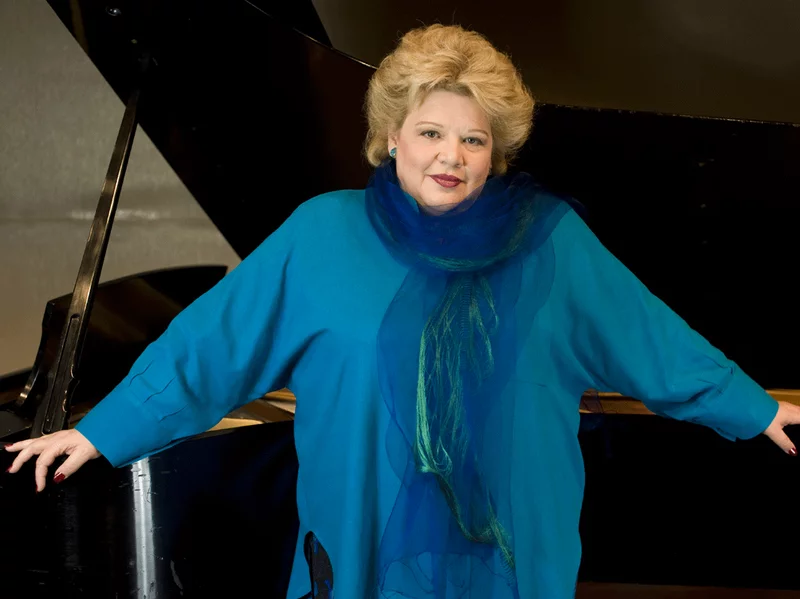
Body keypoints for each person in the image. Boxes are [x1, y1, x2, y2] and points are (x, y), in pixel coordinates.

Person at [5, 23, 800, 599]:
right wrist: (101, 429)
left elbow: (648, 335)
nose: (451, 157)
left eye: (474, 140)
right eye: (430, 132)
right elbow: (213, 344)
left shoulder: (555, 244)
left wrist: (754, 406)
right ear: (390, 137)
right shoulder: (320, 232)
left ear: (498, 152)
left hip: (515, 548)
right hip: (359, 534)